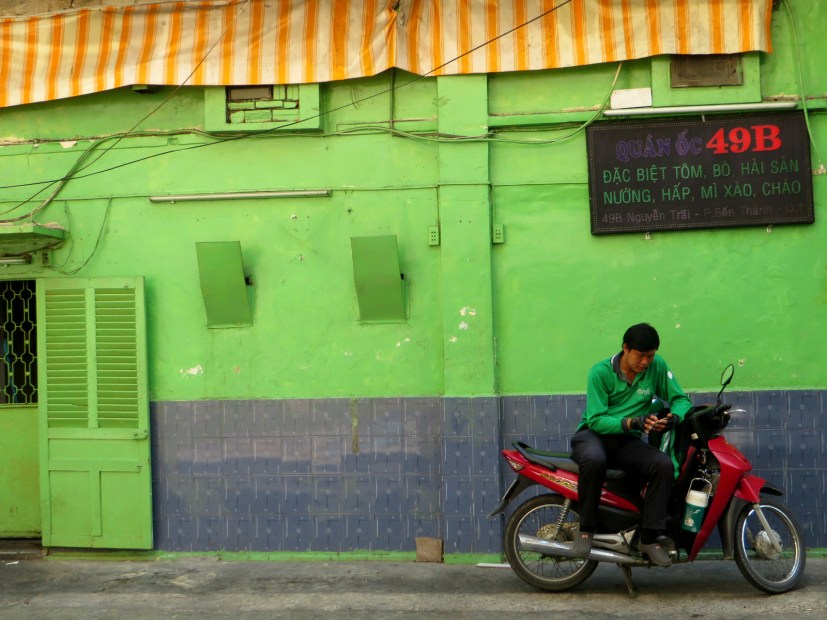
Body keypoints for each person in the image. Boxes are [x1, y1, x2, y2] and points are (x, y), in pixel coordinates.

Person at [570, 323, 692, 567]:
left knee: (662, 465)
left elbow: (680, 399)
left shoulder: (657, 366)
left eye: (651, 356)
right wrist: (632, 422)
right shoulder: (600, 372)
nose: (646, 362)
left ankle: (648, 538)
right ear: (625, 349)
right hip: (592, 435)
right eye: (641, 356)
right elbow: (596, 420)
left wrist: (673, 418)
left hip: (626, 440)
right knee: (594, 460)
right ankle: (586, 529)